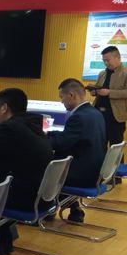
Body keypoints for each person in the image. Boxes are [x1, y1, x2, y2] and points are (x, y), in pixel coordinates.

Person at [0, 88, 53, 255]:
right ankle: (3, 241)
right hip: (42, 195)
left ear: (4, 108)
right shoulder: (33, 126)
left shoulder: (9, 129)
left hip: (25, 196)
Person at [48, 78, 107, 223]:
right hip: (95, 170)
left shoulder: (79, 117)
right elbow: (71, 138)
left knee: (42, 168)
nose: (61, 102)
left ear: (71, 95)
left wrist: (40, 140)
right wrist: (50, 134)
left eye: (62, 97)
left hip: (82, 174)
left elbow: (60, 143)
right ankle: (73, 208)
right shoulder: (94, 113)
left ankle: (44, 210)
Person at [91, 45, 126, 180]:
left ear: (118, 58)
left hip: (115, 115)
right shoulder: (102, 73)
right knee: (99, 145)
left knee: (115, 146)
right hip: (98, 114)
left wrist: (110, 92)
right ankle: (100, 175)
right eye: (104, 60)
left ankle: (116, 177)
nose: (106, 63)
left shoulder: (125, 73)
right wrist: (94, 91)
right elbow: (98, 88)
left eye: (108, 60)